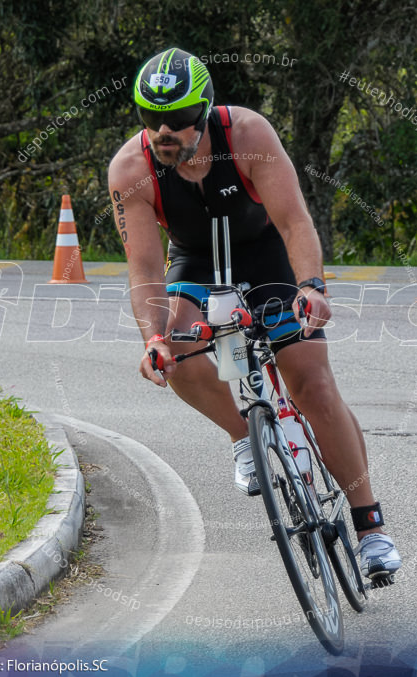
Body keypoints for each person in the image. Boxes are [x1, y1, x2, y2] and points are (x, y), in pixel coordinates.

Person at [107, 47, 401, 581]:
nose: (163, 132)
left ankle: (370, 527)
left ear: (205, 111)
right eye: (151, 120)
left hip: (268, 259)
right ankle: (245, 436)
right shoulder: (131, 169)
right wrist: (152, 338)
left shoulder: (248, 135)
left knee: (311, 385)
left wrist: (311, 286)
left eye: (177, 121)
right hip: (195, 266)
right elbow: (145, 271)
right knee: (176, 347)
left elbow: (294, 221)